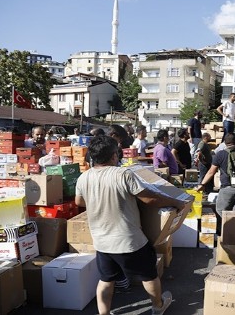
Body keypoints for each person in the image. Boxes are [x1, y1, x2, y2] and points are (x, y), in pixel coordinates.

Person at [75, 135, 186, 315]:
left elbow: (79, 201)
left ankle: (104, 313)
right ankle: (158, 306)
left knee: (106, 279)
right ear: (113, 156)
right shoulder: (122, 174)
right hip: (128, 240)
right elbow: (149, 197)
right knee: (148, 275)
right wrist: (175, 202)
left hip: (102, 241)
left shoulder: (84, 177)